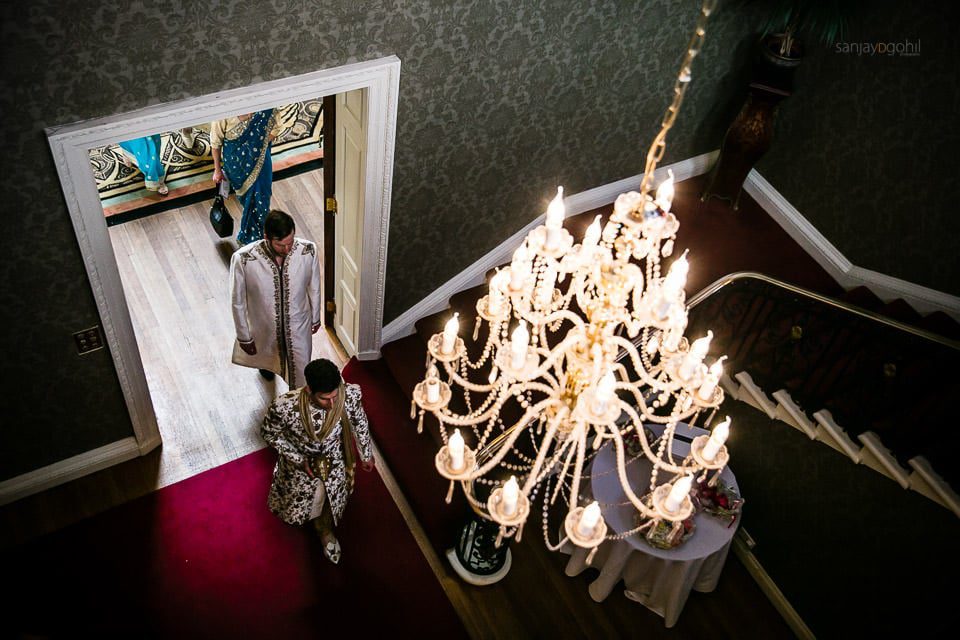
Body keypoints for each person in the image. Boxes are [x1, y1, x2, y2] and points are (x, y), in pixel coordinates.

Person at [260, 358, 375, 564]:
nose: (332, 404)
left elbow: (360, 423)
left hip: (335, 461)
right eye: (324, 399)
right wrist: (297, 458)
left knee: (329, 501)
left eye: (334, 396)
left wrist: (366, 454)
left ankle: (325, 532)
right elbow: (269, 434)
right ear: (308, 390)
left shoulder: (348, 395)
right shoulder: (284, 407)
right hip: (299, 466)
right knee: (302, 501)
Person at [229, 209, 321, 387]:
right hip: (263, 327)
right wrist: (244, 337)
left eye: (290, 242)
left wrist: (315, 317)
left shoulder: (307, 251)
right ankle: (267, 368)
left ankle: (297, 407)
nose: (287, 249)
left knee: (301, 375)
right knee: (268, 358)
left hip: (299, 325)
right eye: (281, 245)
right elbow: (237, 302)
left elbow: (314, 286)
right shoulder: (244, 260)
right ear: (266, 237)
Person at [210, 109, 283, 244]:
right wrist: (217, 170)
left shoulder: (265, 106)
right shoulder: (223, 114)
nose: (250, 114)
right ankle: (256, 237)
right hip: (236, 164)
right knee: (249, 200)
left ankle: (253, 238)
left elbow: (276, 127)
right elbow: (215, 144)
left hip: (260, 158)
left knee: (262, 196)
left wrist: (257, 144)